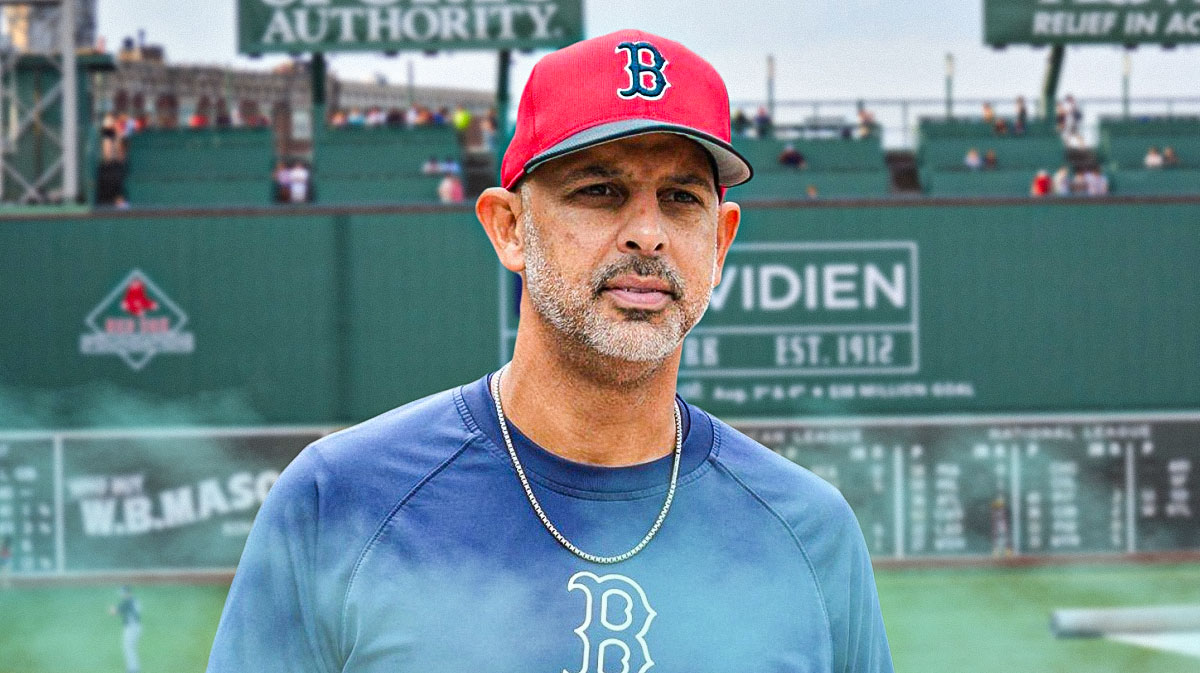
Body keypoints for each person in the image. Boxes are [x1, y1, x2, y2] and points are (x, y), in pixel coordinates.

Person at [207, 29, 893, 673]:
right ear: (508, 228)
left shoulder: (810, 530)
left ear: (719, 243)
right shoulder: (342, 500)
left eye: (681, 197)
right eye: (600, 191)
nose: (647, 233)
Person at [109, 585, 141, 673]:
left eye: (122, 593)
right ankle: (133, 668)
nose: (121, 595)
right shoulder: (134, 600)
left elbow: (114, 612)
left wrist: (112, 609)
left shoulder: (127, 601)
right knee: (131, 648)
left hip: (131, 628)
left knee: (128, 648)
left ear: (127, 593)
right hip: (136, 626)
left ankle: (133, 670)